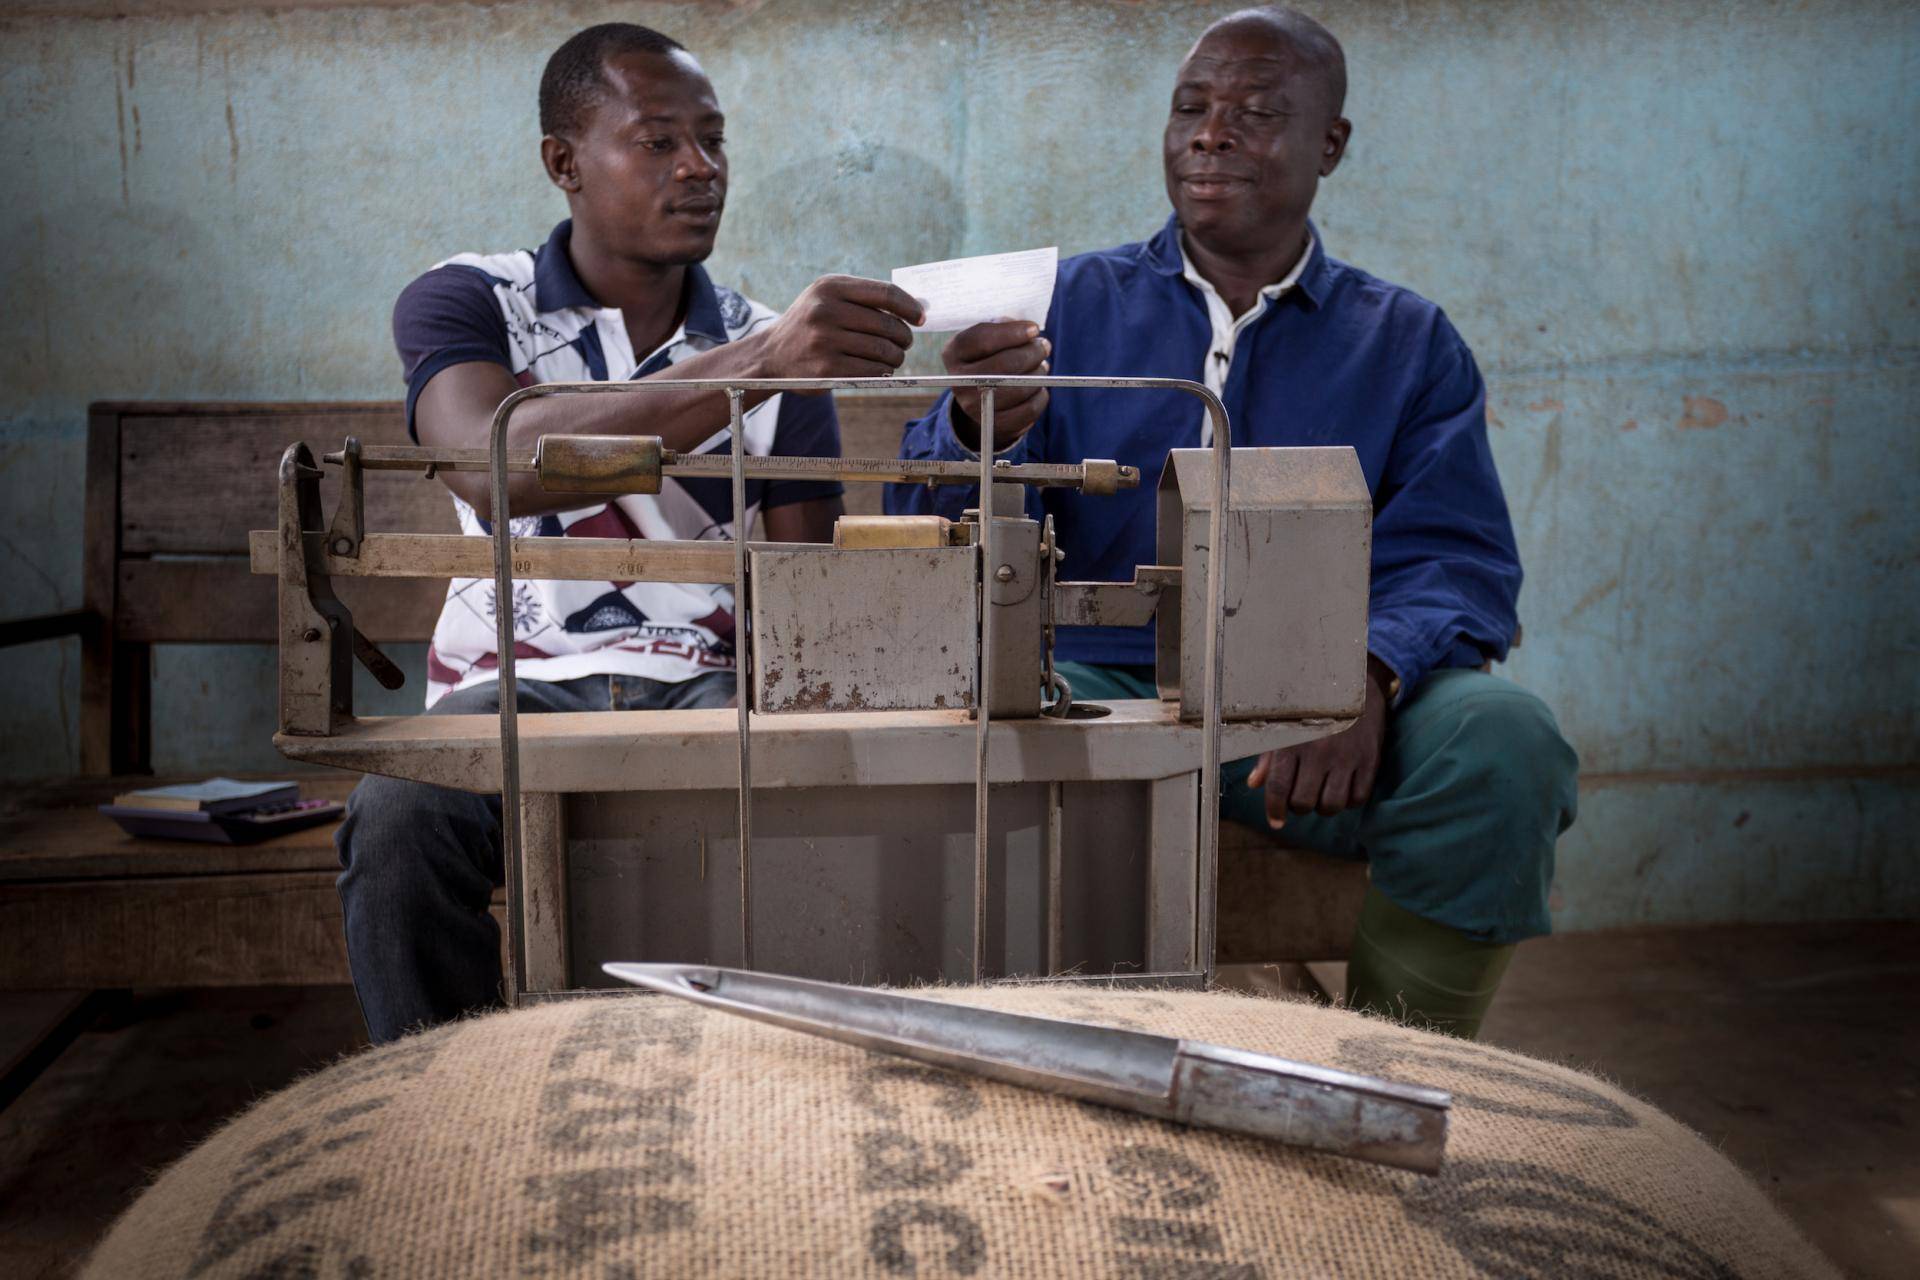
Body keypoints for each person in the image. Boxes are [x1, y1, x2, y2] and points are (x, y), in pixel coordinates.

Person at [888, 6, 1578, 1039]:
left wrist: (1368, 673)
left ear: (1330, 144)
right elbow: (927, 518)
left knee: (1504, 744)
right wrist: (970, 428)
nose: (1211, 134)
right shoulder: (1061, 307)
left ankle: (1389, 1076)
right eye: (1191, 110)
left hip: (1310, 696)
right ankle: (1052, 1059)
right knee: (975, 737)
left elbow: (1457, 558)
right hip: (1091, 680)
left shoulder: (1406, 339)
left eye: (1256, 112)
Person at [338, 23, 925, 1043]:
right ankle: (439, 1111)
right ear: (563, 162)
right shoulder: (476, 299)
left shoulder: (774, 343)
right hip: (506, 692)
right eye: (657, 142)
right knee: (398, 813)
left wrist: (962, 418)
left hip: (707, 687)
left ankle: (760, 1100)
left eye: (714, 140)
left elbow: (807, 603)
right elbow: (493, 459)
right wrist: (758, 364)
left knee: (830, 810)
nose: (701, 169)